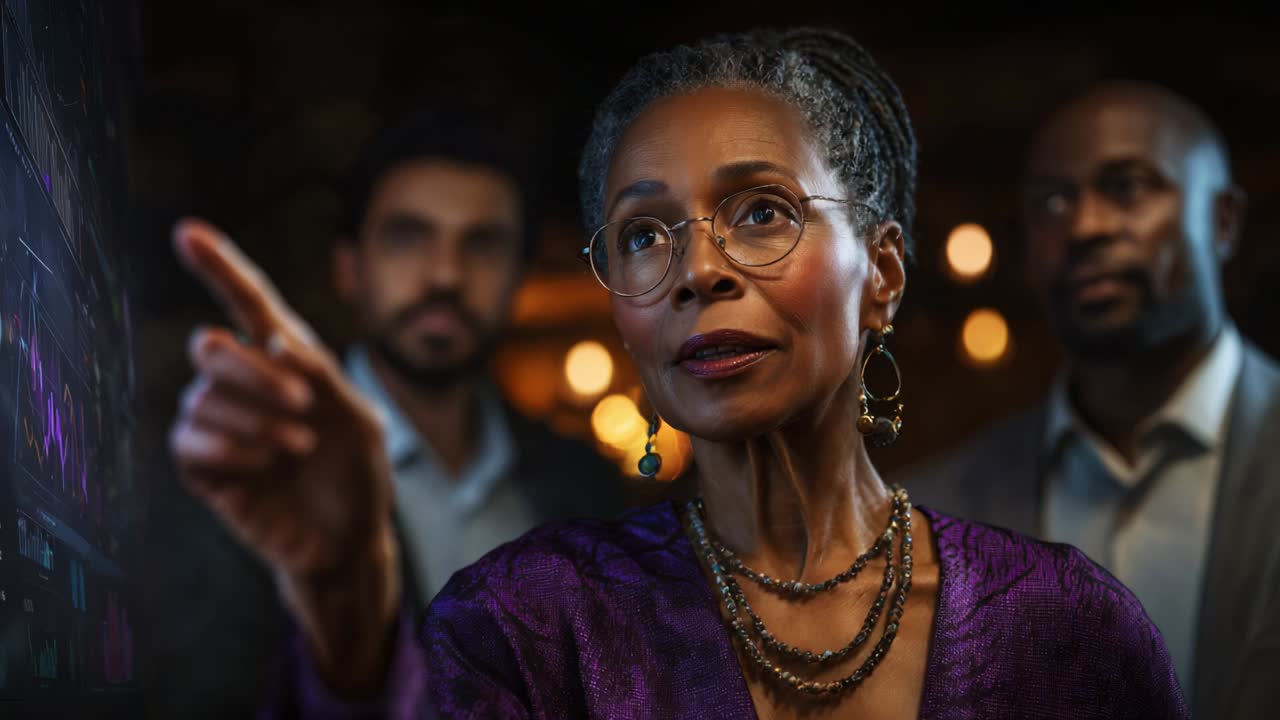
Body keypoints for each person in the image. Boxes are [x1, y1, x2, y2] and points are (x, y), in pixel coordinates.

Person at [168, 30, 1188, 718]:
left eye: (759, 212)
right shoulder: (526, 623)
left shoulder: (1067, 632)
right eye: (644, 234)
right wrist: (346, 595)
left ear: (879, 275)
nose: (697, 269)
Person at [898, 83, 1280, 718]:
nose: (1084, 226)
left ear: (1223, 220)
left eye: (1128, 188)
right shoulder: (936, 512)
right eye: (1053, 201)